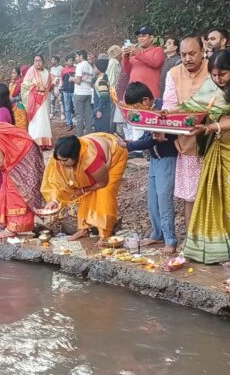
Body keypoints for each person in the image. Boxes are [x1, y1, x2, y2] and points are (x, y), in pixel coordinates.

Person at [182, 49, 230, 265]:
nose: (218, 79)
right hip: (219, 139)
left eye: (222, 74)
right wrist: (168, 114)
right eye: (214, 75)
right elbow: (193, 105)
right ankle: (212, 246)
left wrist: (209, 127)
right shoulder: (213, 84)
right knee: (215, 190)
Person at [117, 82, 179, 254]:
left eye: (136, 107)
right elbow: (148, 137)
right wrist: (131, 143)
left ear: (145, 100)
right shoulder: (148, 112)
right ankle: (157, 233)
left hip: (167, 158)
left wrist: (129, 145)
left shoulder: (162, 109)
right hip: (154, 159)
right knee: (153, 201)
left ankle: (170, 239)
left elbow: (152, 139)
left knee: (164, 201)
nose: (136, 112)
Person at [41, 133, 128, 245]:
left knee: (104, 193)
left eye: (65, 160)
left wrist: (83, 190)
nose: (61, 163)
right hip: (95, 151)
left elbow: (102, 183)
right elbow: (57, 182)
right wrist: (54, 200)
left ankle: (105, 234)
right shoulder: (60, 157)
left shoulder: (91, 160)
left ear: (76, 156)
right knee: (83, 188)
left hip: (115, 154)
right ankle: (83, 229)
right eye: (59, 160)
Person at [162, 35, 210, 230]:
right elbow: (169, 105)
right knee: (190, 194)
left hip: (214, 141)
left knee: (213, 193)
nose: (187, 59)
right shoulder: (173, 73)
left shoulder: (213, 70)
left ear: (202, 52)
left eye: (192, 53)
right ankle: (191, 238)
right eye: (183, 55)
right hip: (187, 143)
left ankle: (212, 239)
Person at [122, 26, 166, 99]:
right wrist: (125, 58)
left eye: (143, 36)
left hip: (150, 95)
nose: (140, 39)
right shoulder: (135, 53)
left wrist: (137, 54)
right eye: (139, 37)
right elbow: (127, 72)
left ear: (151, 38)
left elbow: (156, 63)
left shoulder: (158, 50)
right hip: (133, 95)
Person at [22, 55, 54, 149]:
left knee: (45, 120)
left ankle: (46, 143)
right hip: (34, 101)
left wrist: (52, 85)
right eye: (36, 61)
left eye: (39, 60)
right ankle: (36, 143)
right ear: (33, 62)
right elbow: (24, 86)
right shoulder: (31, 71)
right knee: (36, 121)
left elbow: (49, 87)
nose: (38, 63)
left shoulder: (46, 72)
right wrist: (37, 88)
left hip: (45, 100)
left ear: (43, 61)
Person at [72, 50, 95, 136]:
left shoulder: (80, 65)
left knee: (79, 115)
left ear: (81, 56)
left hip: (79, 93)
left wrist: (72, 79)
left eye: (77, 56)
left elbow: (78, 81)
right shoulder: (90, 67)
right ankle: (89, 134)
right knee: (87, 115)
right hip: (88, 93)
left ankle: (79, 135)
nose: (76, 58)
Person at [92, 58, 112, 133]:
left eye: (95, 67)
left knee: (102, 131)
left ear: (99, 68)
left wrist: (99, 110)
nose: (94, 69)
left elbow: (104, 96)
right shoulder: (101, 78)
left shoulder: (101, 81)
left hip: (102, 109)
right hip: (102, 108)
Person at [61, 56, 76, 131]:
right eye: (70, 60)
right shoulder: (63, 70)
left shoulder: (76, 69)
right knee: (67, 108)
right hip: (66, 92)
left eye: (72, 60)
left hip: (74, 91)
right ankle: (69, 123)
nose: (71, 62)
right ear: (66, 62)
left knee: (76, 107)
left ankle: (79, 123)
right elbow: (62, 80)